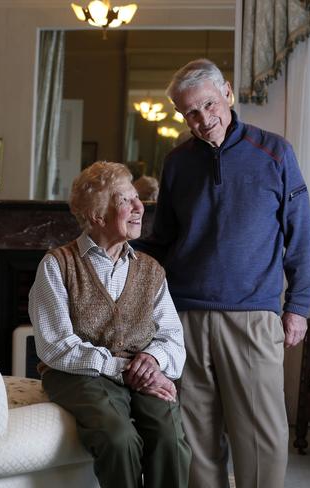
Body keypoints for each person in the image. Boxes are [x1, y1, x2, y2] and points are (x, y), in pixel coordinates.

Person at [134, 59, 310, 488]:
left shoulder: (275, 152)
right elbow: (164, 240)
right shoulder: (177, 162)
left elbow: (301, 236)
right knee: (194, 434)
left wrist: (299, 307)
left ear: (228, 93)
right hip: (185, 318)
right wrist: (115, 246)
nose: (202, 120)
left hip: (252, 316)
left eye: (209, 105)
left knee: (260, 435)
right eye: (190, 113)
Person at [29, 161, 191, 488]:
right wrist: (122, 368)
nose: (138, 207)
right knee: (119, 439)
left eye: (137, 198)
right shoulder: (57, 265)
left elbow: (172, 336)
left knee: (170, 437)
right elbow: (55, 346)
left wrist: (152, 361)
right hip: (77, 373)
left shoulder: (150, 269)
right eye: (125, 201)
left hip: (138, 370)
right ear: (97, 217)